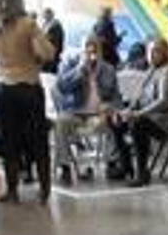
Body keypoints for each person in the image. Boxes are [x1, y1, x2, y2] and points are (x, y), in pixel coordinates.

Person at [0, 0, 56, 204]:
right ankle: (45, 190)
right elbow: (47, 53)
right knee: (38, 140)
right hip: (28, 87)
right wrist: (33, 55)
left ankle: (12, 191)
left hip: (2, 91)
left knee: (9, 142)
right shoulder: (28, 24)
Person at [107, 37, 168, 187]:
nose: (151, 55)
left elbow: (164, 102)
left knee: (138, 123)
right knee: (115, 120)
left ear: (165, 53)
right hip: (150, 117)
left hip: (165, 122)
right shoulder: (152, 70)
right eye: (149, 51)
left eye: (156, 51)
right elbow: (139, 97)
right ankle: (126, 165)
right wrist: (127, 111)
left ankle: (142, 172)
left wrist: (139, 113)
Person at [51, 38, 121, 183]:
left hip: (98, 114)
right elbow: (62, 88)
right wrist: (79, 70)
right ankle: (65, 167)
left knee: (110, 120)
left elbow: (116, 96)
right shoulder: (71, 65)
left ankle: (111, 163)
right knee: (61, 122)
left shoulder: (108, 69)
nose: (91, 54)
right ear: (82, 51)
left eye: (94, 51)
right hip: (75, 112)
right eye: (87, 50)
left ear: (100, 52)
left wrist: (111, 107)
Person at [38, 7, 64, 74]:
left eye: (45, 14)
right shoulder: (46, 24)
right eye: (43, 15)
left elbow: (56, 43)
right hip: (45, 55)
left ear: (50, 14)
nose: (44, 16)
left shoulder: (55, 25)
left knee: (50, 75)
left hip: (51, 56)